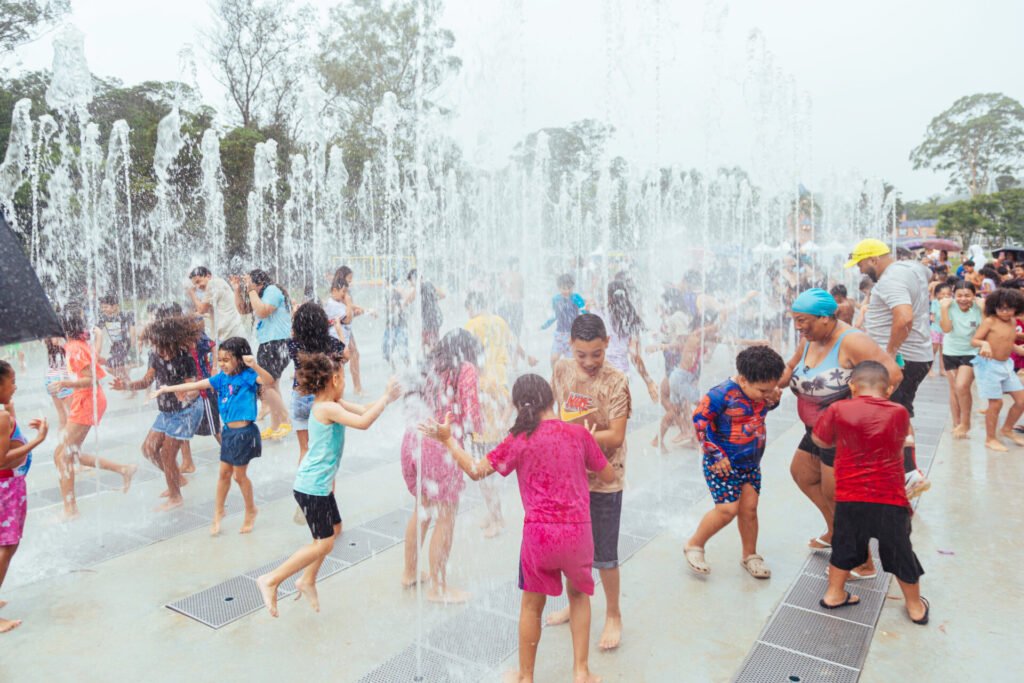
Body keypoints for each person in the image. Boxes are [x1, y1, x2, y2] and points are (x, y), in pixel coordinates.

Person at [419, 374, 612, 683]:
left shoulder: (519, 439)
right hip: (578, 534)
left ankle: (525, 676)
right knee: (578, 598)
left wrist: (447, 440)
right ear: (551, 398)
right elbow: (608, 475)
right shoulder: (578, 434)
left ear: (520, 406)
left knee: (532, 607)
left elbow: (475, 470)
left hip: (539, 539)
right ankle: (581, 671)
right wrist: (588, 446)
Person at [256, 352, 399, 617]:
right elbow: (364, 423)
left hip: (318, 486)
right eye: (343, 378)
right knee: (323, 543)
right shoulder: (327, 409)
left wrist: (385, 399)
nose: (344, 383)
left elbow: (365, 410)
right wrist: (387, 398)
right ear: (334, 379)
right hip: (312, 488)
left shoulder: (332, 403)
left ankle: (307, 579)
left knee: (333, 529)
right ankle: (271, 579)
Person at [781, 288, 901, 576]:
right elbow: (791, 367)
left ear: (825, 318)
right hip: (817, 430)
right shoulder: (810, 339)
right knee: (802, 474)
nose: (798, 327)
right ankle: (837, 532)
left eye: (802, 320)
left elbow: (893, 374)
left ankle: (862, 560)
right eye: (795, 320)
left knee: (838, 495)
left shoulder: (853, 342)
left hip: (844, 434)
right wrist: (769, 386)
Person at [811, 361, 929, 625]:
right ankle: (915, 606)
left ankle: (834, 594)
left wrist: (841, 437)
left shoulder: (838, 409)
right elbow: (900, 441)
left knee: (844, 544)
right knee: (900, 550)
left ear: (852, 386)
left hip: (850, 497)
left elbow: (820, 440)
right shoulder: (899, 412)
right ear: (888, 389)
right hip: (889, 498)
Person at [546, 313, 631, 651]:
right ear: (570, 345)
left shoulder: (616, 381)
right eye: (581, 354)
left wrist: (579, 439)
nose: (590, 361)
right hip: (570, 477)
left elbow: (617, 434)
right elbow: (554, 415)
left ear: (607, 343)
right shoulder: (561, 370)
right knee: (574, 551)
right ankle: (575, 602)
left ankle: (613, 613)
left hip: (605, 478)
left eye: (597, 353)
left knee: (605, 554)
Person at [684, 346, 785, 578]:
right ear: (743, 380)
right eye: (763, 390)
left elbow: (759, 411)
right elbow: (699, 421)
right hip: (723, 464)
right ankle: (694, 544)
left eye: (771, 389)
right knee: (727, 510)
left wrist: (772, 401)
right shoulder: (720, 395)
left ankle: (750, 554)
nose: (768, 394)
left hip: (751, 463)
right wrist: (716, 455)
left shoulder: (760, 394)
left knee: (749, 509)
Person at [153, 337, 271, 535]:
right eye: (220, 359)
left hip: (244, 433)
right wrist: (167, 389)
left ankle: (251, 509)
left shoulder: (248, 376)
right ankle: (218, 512)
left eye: (226, 360)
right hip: (229, 433)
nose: (222, 364)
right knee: (223, 474)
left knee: (239, 476)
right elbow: (196, 384)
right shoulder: (221, 378)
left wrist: (255, 365)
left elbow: (269, 381)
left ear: (240, 359)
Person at [400, 330, 482, 602]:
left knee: (422, 509)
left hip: (414, 439)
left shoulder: (429, 364)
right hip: (440, 445)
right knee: (446, 516)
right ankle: (438, 587)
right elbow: (471, 416)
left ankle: (410, 573)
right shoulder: (465, 369)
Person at [847, 239, 932, 497]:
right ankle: (901, 472)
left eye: (861, 264)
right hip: (916, 354)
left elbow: (904, 317)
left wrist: (890, 354)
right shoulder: (912, 269)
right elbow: (927, 272)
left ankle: (908, 474)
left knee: (892, 414)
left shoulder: (890, 280)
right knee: (896, 410)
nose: (861, 271)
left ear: (873, 259)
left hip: (903, 358)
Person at [112, 312, 206, 511]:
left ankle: (175, 497)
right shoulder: (155, 357)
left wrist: (186, 394)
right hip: (167, 412)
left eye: (159, 345)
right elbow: (146, 381)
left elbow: (195, 389)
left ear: (170, 342)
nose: (156, 349)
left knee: (167, 454)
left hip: (186, 412)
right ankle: (177, 479)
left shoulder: (185, 359)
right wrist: (126, 386)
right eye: (154, 345)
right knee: (149, 449)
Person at [53, 308, 137, 520]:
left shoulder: (74, 347)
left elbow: (90, 379)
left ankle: (70, 509)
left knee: (63, 456)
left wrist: (65, 383)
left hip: (87, 401)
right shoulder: (76, 345)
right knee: (64, 454)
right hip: (85, 400)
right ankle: (123, 469)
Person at [0, 361, 49, 633]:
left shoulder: (4, 413)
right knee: (6, 546)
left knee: (8, 545)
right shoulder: (1, 418)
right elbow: (1, 459)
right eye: (12, 382)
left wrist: (10, 407)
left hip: (9, 485)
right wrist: (37, 440)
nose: (16, 386)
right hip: (6, 487)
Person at [233, 269, 291, 440]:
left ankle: (286, 420)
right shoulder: (260, 294)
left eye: (252, 284)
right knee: (272, 385)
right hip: (268, 344)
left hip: (277, 343)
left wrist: (250, 289)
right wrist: (237, 289)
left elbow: (262, 311)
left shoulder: (272, 290)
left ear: (260, 283)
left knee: (266, 386)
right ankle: (275, 426)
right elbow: (243, 309)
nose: (249, 288)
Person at [970, 287, 1024, 451]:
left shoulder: (1013, 321)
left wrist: (1018, 349)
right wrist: (984, 343)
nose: (1005, 312)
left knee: (1021, 400)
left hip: (1006, 365)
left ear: (1016, 307)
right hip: (988, 365)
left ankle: (1007, 429)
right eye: (1001, 308)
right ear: (994, 307)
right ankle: (990, 438)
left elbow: (1007, 340)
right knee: (996, 403)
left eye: (1009, 308)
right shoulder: (990, 321)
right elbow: (974, 340)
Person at [939, 281, 982, 438]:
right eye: (959, 295)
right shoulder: (948, 306)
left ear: (974, 295)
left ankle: (965, 422)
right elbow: (946, 329)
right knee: (954, 389)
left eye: (967, 295)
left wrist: (984, 310)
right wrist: (944, 309)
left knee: (962, 385)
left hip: (971, 351)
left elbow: (984, 331)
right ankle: (956, 424)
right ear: (954, 295)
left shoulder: (979, 308)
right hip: (950, 352)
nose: (963, 299)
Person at [605, 281, 659, 402]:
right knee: (618, 410)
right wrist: (649, 382)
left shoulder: (600, 314)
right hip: (621, 375)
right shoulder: (630, 319)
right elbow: (634, 356)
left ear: (608, 297)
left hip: (600, 373)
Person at [187, 266, 248, 347]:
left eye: (198, 282)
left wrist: (192, 293)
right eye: (195, 284)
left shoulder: (213, 284)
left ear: (208, 276)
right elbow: (206, 312)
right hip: (232, 333)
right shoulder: (218, 284)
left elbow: (202, 310)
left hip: (232, 334)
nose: (198, 286)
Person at [331, 266, 367, 395]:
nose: (351, 281)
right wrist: (355, 311)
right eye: (349, 278)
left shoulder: (339, 289)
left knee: (347, 356)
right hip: (341, 330)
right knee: (349, 356)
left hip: (344, 329)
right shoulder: (342, 291)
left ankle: (341, 387)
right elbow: (346, 315)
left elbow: (347, 309)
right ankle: (355, 387)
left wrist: (358, 309)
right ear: (343, 276)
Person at [542, 274, 586, 368]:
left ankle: (570, 376)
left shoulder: (576, 298)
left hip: (572, 335)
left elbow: (584, 312)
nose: (567, 291)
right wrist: (544, 326)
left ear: (573, 287)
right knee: (554, 358)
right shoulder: (556, 299)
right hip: (559, 334)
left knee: (571, 362)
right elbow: (554, 315)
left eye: (569, 288)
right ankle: (555, 375)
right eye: (563, 288)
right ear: (559, 287)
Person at [96, 294, 136, 392]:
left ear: (115, 306)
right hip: (115, 347)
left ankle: (129, 386)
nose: (103, 310)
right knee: (119, 369)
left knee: (110, 367)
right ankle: (129, 386)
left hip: (125, 346)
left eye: (106, 307)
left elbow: (132, 332)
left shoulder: (125, 315)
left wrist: (132, 349)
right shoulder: (104, 318)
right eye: (102, 307)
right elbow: (97, 331)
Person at [43, 338, 73, 429]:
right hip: (61, 379)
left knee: (62, 415)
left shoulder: (47, 341)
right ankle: (70, 436)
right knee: (72, 415)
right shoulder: (62, 343)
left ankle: (62, 437)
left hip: (50, 379)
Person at [928, 282, 952, 377]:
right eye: (943, 294)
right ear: (937, 294)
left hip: (945, 330)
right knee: (934, 349)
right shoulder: (935, 302)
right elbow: (932, 316)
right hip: (935, 329)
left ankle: (942, 369)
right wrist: (932, 317)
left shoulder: (951, 303)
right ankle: (929, 369)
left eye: (948, 294)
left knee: (944, 351)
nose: (945, 296)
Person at [498, 257, 525, 339]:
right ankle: (515, 343)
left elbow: (500, 290)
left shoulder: (502, 276)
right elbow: (522, 293)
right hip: (516, 304)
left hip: (504, 304)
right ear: (515, 265)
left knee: (505, 328)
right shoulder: (519, 276)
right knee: (516, 330)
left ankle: (506, 343)